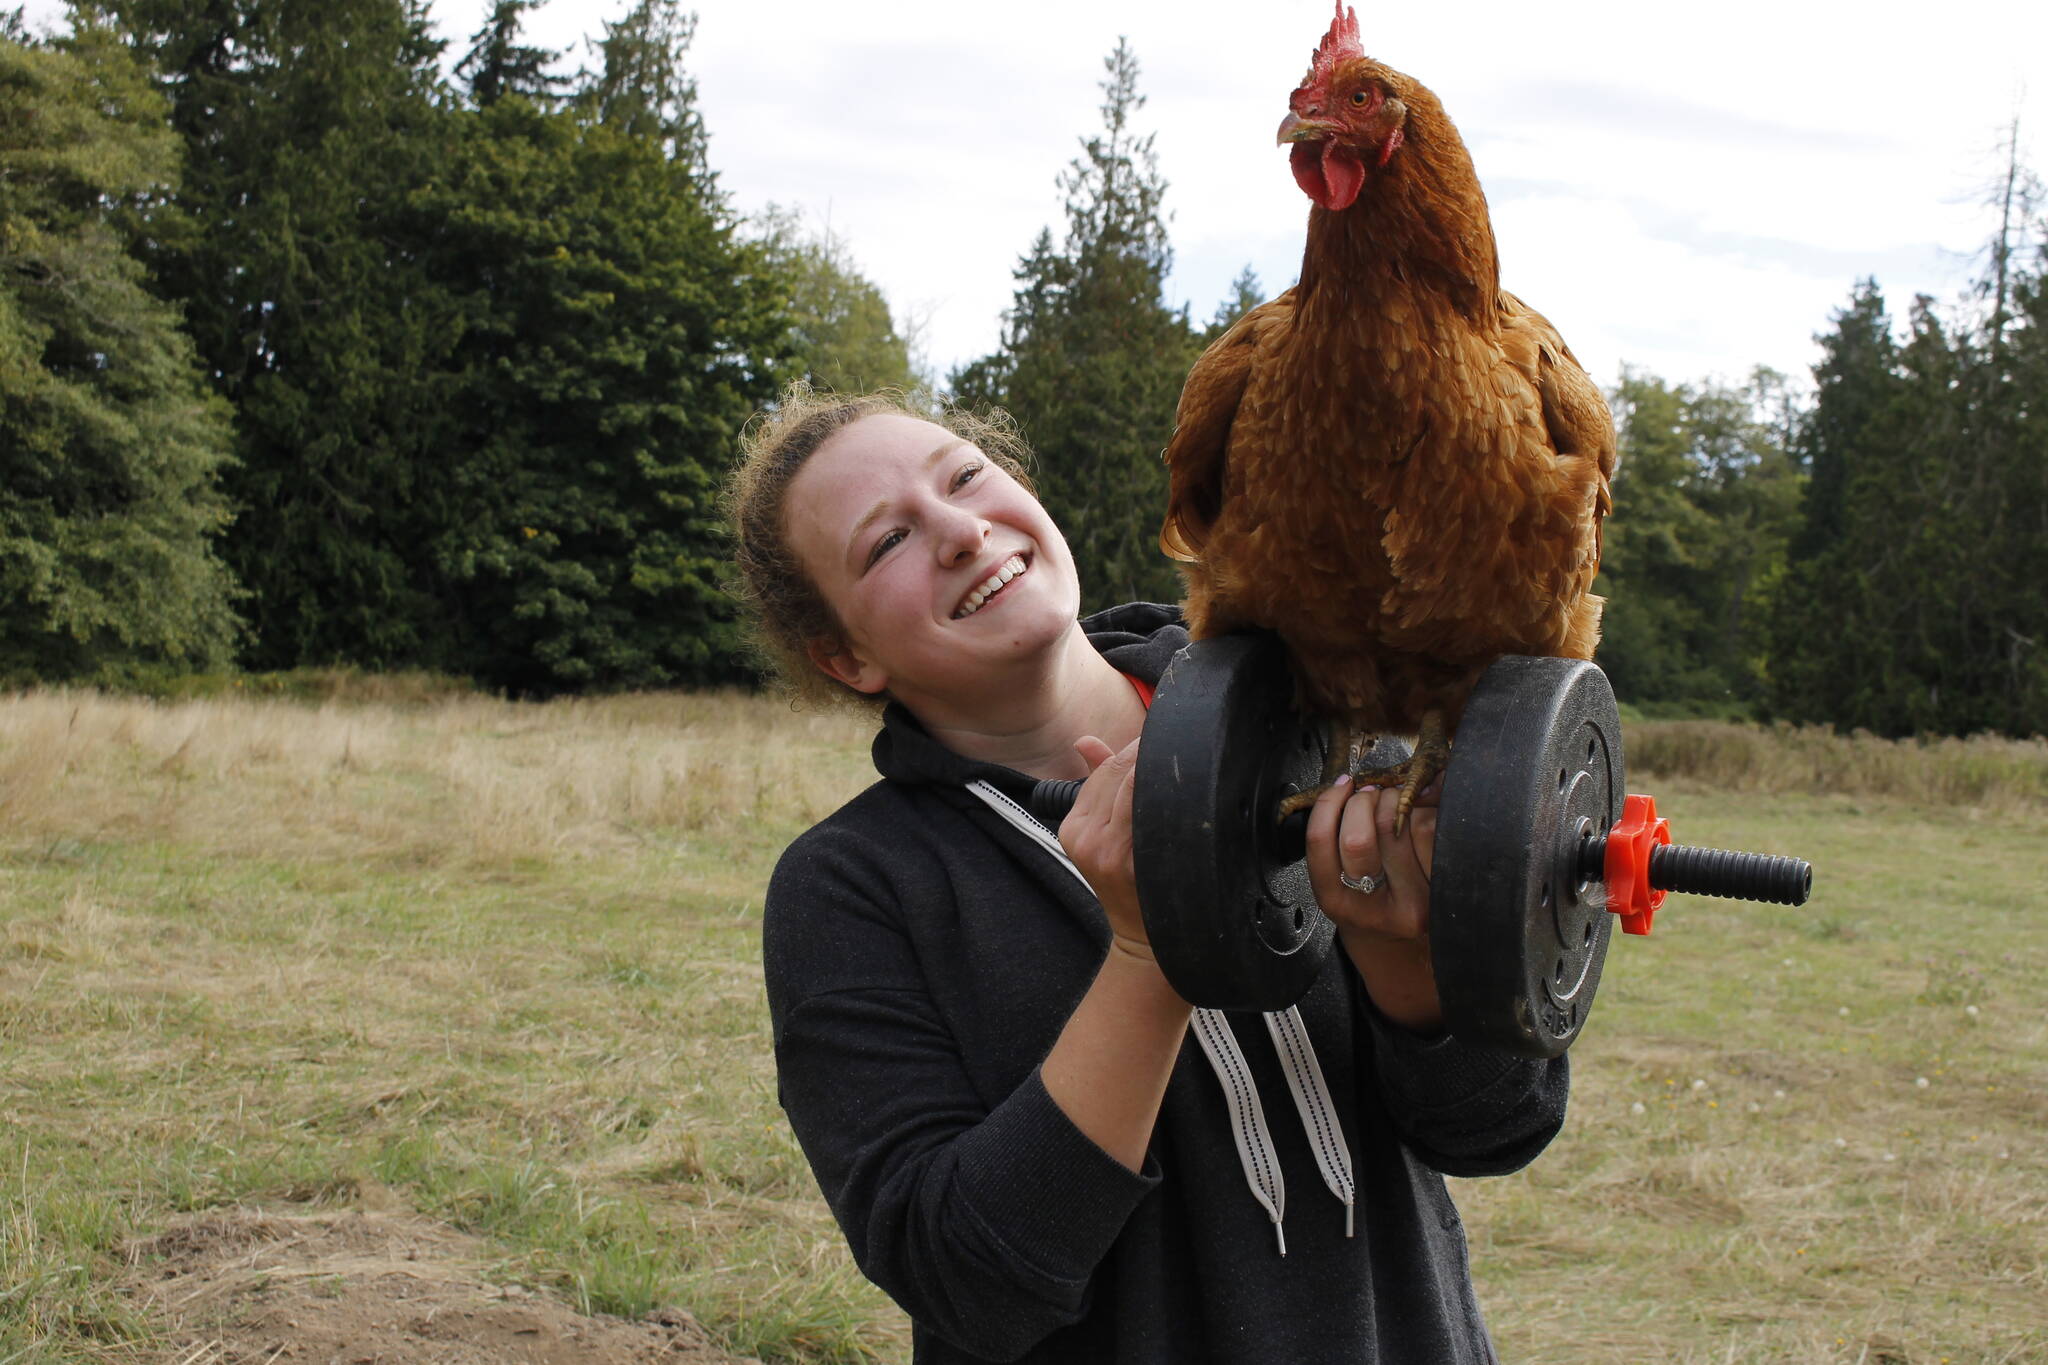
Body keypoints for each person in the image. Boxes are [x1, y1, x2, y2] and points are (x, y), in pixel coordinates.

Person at [725, 387, 1569, 1364]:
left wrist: (1394, 945)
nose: (959, 531)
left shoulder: (1317, 712)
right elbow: (969, 1285)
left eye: (964, 477)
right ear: (845, 656)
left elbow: (1497, 1126)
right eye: (887, 542)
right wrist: (1148, 949)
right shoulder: (851, 890)